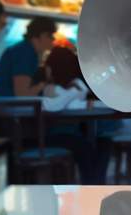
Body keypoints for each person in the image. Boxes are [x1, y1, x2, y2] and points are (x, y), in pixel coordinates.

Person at [42, 46, 115, 184]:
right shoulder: (51, 88)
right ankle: (92, 186)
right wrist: (75, 92)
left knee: (104, 142)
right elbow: (64, 105)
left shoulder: (71, 86)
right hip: (54, 136)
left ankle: (96, 185)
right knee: (84, 147)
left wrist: (76, 86)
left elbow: (80, 100)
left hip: (74, 134)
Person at [0, 16, 55, 96]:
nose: (53, 39)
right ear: (41, 35)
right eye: (50, 35)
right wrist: (44, 85)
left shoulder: (28, 51)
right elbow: (22, 94)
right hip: (10, 106)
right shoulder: (24, 53)